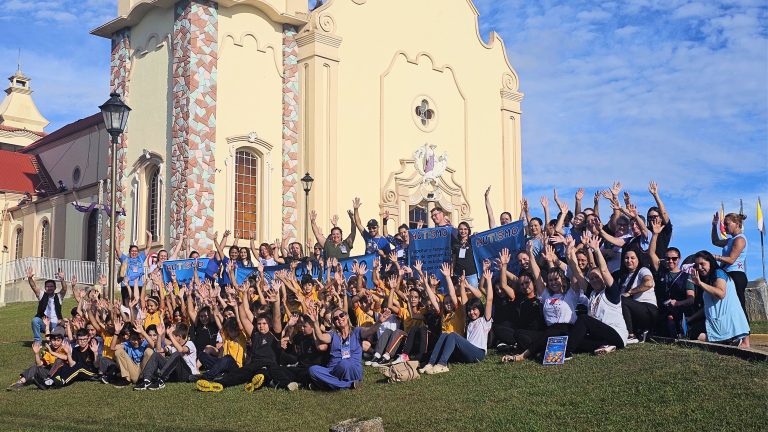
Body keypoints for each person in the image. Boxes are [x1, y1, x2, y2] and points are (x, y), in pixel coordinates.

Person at [419, 267, 493, 375]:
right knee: (445, 334)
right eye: (470, 310)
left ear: (480, 309)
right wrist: (462, 284)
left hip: (478, 353)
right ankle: (431, 363)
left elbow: (489, 300)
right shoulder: (468, 322)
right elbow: (462, 302)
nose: (472, 312)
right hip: (465, 351)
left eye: (474, 310)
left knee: (452, 335)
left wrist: (489, 281)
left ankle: (442, 365)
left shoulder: (484, 321)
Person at [567, 233, 629, 354]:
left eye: (597, 277)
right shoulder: (592, 293)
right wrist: (569, 253)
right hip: (600, 334)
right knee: (577, 338)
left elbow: (604, 270)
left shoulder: (611, 292)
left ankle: (566, 352)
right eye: (592, 278)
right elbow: (577, 271)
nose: (594, 280)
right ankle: (606, 346)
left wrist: (596, 250)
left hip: (616, 333)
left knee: (584, 319)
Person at [306, 305, 381, 391]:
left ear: (347, 316)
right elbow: (321, 337)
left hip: (352, 368)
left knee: (345, 363)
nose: (339, 319)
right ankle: (348, 385)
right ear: (334, 322)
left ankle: (324, 384)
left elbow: (370, 330)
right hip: (334, 370)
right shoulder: (333, 334)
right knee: (313, 370)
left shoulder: (357, 331)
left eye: (341, 315)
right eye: (335, 318)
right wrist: (315, 323)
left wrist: (379, 321)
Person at [688, 251, 750, 347]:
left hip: (726, 322)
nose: (699, 268)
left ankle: (725, 341)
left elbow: (721, 293)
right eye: (696, 265)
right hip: (717, 320)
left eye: (702, 264)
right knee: (691, 330)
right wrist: (690, 319)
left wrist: (700, 283)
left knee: (693, 334)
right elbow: (708, 307)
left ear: (710, 262)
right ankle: (726, 341)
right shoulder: (709, 280)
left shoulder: (718, 273)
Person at [648, 218, 692, 337]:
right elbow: (651, 253)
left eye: (674, 258)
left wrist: (677, 303)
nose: (670, 261)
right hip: (660, 309)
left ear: (679, 258)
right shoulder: (661, 270)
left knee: (670, 320)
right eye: (668, 258)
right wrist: (655, 234)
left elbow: (691, 299)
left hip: (677, 311)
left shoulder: (687, 276)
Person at [711, 213, 749, 321]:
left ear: (737, 224)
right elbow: (715, 241)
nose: (725, 227)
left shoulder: (740, 239)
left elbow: (731, 260)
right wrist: (714, 225)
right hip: (727, 274)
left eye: (727, 224)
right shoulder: (730, 240)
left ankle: (745, 333)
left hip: (736, 275)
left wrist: (716, 257)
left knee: (739, 305)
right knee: (728, 305)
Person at [7, 326, 68, 390]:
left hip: (60, 376)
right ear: (50, 340)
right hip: (48, 374)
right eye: (53, 340)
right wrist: (36, 354)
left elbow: (66, 358)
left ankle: (47, 381)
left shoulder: (64, 348)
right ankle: (19, 383)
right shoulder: (48, 350)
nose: (55, 343)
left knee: (59, 361)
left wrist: (51, 352)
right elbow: (39, 364)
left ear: (62, 341)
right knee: (35, 367)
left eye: (58, 340)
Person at [28, 268, 68, 344]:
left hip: (55, 323)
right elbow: (34, 287)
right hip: (43, 322)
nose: (49, 288)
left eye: (51, 286)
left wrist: (62, 280)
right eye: (48, 286)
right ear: (45, 288)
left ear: (55, 288)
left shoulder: (58, 296)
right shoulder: (42, 295)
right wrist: (30, 278)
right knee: (35, 320)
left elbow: (64, 289)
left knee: (54, 341)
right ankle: (37, 341)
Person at [117, 230, 155, 305]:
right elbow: (117, 249)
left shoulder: (141, 258)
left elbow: (148, 247)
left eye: (136, 251)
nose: (134, 252)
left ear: (138, 252)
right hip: (127, 285)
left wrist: (150, 237)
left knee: (138, 304)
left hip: (139, 285)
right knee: (128, 305)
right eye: (132, 251)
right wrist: (117, 237)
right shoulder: (125, 259)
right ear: (129, 252)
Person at [452, 222, 478, 288]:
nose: (463, 231)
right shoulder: (455, 244)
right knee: (460, 295)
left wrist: (477, 235)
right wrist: (451, 272)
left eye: (465, 229)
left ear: (468, 230)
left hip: (471, 273)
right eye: (461, 229)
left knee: (474, 295)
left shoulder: (472, 241)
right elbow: (454, 259)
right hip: (458, 274)